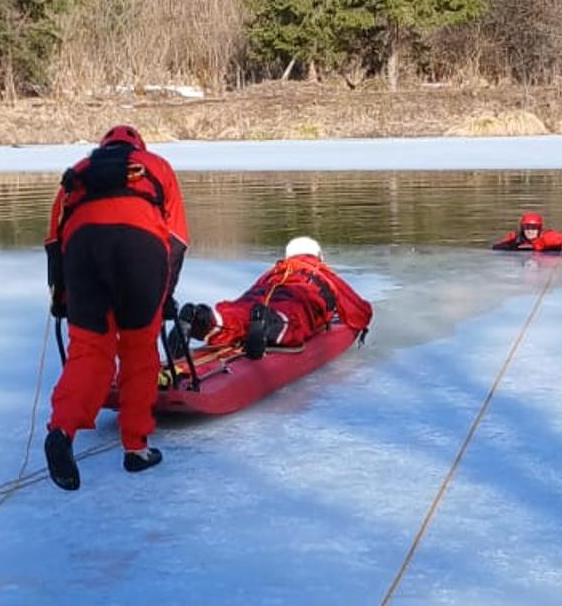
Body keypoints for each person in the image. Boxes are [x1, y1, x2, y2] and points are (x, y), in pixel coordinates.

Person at [43, 124, 188, 491]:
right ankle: (135, 448)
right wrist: (163, 294)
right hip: (140, 248)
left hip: (82, 250)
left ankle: (62, 430)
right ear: (139, 146)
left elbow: (53, 241)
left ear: (102, 148)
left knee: (89, 352)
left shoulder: (77, 173)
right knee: (140, 349)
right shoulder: (157, 166)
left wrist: (62, 298)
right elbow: (177, 239)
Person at [176, 237, 373, 360]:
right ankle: (271, 324)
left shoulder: (276, 270)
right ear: (318, 255)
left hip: (266, 291)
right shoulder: (321, 272)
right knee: (294, 317)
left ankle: (208, 319)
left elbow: (252, 291)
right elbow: (357, 308)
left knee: (243, 309)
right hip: (300, 297)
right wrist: (360, 322)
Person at [490, 212, 562, 253]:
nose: (530, 230)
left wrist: (544, 247)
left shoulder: (547, 237)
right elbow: (496, 247)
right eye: (527, 227)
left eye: (534, 228)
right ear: (522, 228)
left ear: (539, 229)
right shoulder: (516, 238)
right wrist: (513, 246)